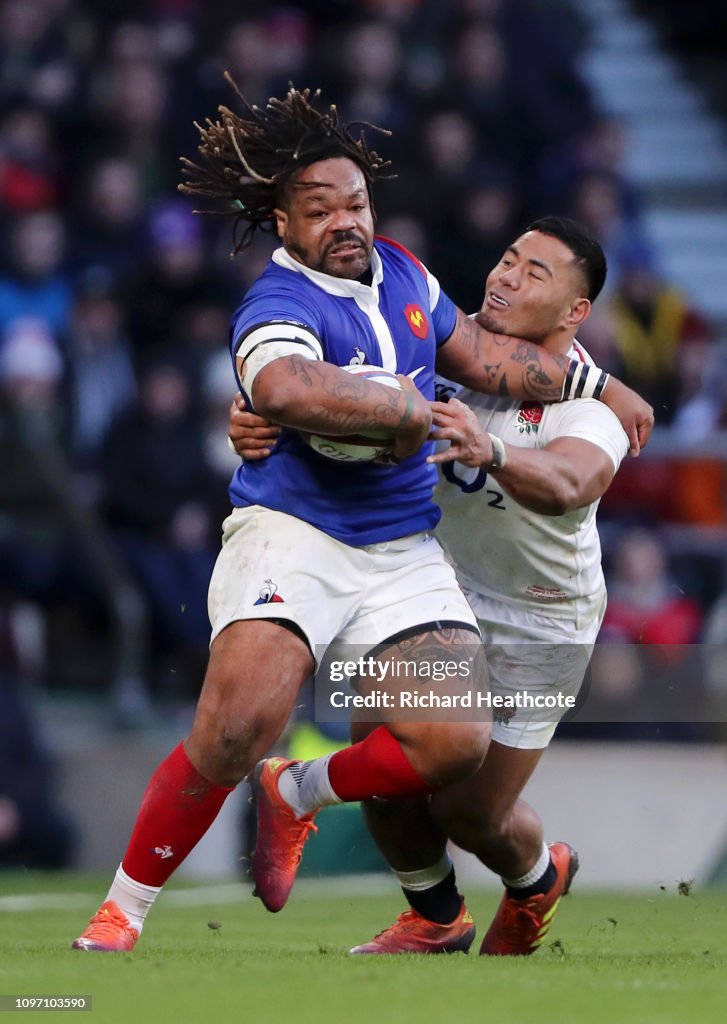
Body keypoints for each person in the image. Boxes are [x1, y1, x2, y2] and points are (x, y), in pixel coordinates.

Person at [71, 83, 651, 953]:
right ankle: (123, 911)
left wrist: (599, 384)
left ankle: (500, 872)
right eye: (321, 209)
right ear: (282, 222)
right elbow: (281, 385)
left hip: (516, 604)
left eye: (356, 203)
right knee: (239, 728)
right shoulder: (278, 306)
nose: (346, 221)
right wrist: (390, 412)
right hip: (305, 535)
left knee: (459, 778)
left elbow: (533, 427)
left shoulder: (408, 280)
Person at [230, 216, 630, 956]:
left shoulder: (585, 407)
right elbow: (328, 389)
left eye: (535, 273)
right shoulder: (439, 344)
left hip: (539, 622)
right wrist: (256, 422)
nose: (506, 276)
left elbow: (569, 482)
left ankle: (536, 879)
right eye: (507, 259)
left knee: (470, 813)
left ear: (576, 311)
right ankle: (434, 916)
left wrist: (494, 449)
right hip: (429, 582)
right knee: (388, 765)